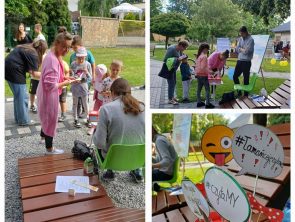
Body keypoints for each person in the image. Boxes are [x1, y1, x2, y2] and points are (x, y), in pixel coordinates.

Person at [93, 78, 145, 183]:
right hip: (138, 159)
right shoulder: (143, 107)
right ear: (130, 92)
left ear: (112, 92)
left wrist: (96, 132)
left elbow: (99, 143)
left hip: (113, 160)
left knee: (98, 136)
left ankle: (110, 171)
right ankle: (137, 170)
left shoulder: (106, 109)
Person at [37, 32, 75, 154]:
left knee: (47, 119)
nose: (67, 50)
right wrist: (65, 84)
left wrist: (63, 78)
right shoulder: (52, 60)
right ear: (57, 43)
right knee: (50, 120)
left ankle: (43, 135)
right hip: (49, 96)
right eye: (64, 46)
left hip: (46, 94)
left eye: (69, 47)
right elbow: (49, 85)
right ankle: (49, 149)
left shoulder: (53, 53)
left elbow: (53, 76)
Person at [5, 40, 47, 126]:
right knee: (23, 97)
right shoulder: (33, 53)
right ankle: (24, 121)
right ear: (41, 50)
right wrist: (48, 75)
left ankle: (19, 119)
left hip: (7, 68)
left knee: (18, 96)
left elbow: (29, 69)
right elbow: (34, 73)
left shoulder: (27, 47)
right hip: (15, 71)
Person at [70, 35, 96, 116]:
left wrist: (93, 75)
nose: (74, 49)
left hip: (85, 81)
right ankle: (77, 112)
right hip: (76, 82)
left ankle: (85, 111)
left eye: (75, 47)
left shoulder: (88, 53)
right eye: (73, 48)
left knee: (85, 96)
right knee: (77, 98)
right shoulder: (73, 56)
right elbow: (71, 69)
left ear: (81, 45)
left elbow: (93, 63)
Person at [70, 47, 92, 128]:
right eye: (79, 58)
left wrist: (86, 73)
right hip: (75, 87)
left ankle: (88, 118)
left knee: (85, 104)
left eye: (82, 58)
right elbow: (71, 76)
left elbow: (90, 78)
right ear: (76, 56)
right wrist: (73, 78)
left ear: (85, 57)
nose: (81, 60)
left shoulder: (88, 65)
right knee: (75, 104)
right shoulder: (73, 64)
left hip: (84, 88)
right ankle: (75, 119)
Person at [163, 40, 189, 105]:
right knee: (171, 84)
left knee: (174, 83)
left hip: (173, 69)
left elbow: (179, 57)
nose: (185, 49)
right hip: (169, 69)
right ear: (180, 45)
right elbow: (165, 59)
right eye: (184, 48)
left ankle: (172, 97)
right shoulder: (172, 49)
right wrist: (177, 59)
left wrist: (184, 56)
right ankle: (170, 99)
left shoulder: (179, 50)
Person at [152, 126, 177, 192]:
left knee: (144, 174)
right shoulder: (160, 139)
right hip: (165, 171)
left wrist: (152, 166)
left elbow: (167, 161)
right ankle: (158, 188)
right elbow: (159, 160)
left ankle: (158, 190)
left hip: (166, 173)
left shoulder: (159, 141)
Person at [233, 26, 255, 97]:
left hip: (246, 62)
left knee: (246, 79)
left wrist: (241, 49)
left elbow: (246, 52)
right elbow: (236, 49)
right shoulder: (240, 39)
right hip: (239, 60)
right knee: (235, 76)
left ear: (245, 32)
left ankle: (246, 95)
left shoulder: (251, 40)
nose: (241, 35)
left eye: (242, 33)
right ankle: (239, 91)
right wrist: (242, 49)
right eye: (240, 34)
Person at [195, 43, 215, 109]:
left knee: (199, 89)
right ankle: (207, 104)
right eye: (207, 49)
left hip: (198, 75)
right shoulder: (204, 56)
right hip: (203, 75)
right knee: (207, 90)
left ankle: (199, 102)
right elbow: (203, 68)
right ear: (205, 49)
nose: (208, 51)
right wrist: (210, 72)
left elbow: (198, 67)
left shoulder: (199, 56)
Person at [57, 26, 70, 122]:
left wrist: (67, 78)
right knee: (58, 101)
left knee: (62, 100)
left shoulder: (64, 64)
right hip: (58, 86)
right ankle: (61, 113)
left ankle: (63, 114)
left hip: (63, 87)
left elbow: (67, 73)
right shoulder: (54, 59)